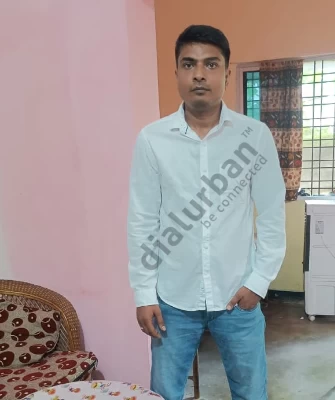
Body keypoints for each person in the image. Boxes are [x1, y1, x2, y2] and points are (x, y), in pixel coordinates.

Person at [127, 24, 286, 400]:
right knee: (165, 393)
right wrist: (143, 293)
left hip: (237, 297)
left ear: (227, 74)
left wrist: (259, 281)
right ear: (177, 72)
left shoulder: (254, 136)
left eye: (211, 64)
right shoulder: (152, 140)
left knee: (251, 393)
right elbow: (143, 220)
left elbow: (271, 213)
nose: (199, 74)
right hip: (172, 300)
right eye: (189, 64)